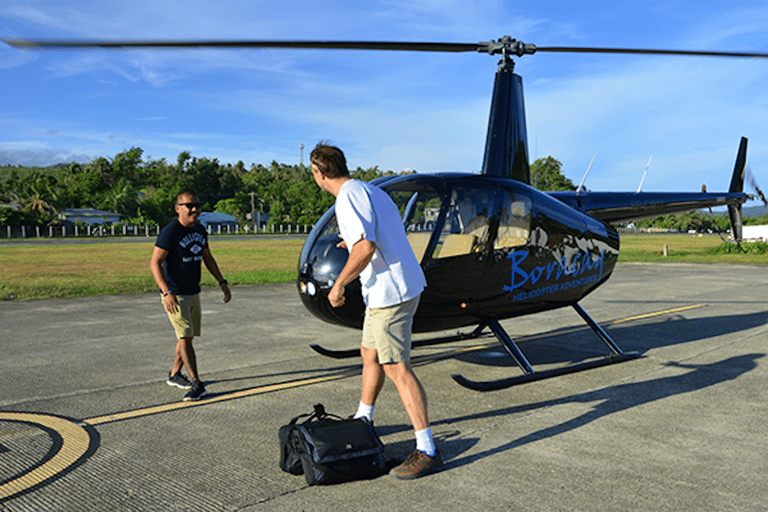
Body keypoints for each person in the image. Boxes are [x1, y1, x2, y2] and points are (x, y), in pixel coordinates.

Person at [309, 142, 441, 479]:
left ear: (318, 174)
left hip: (389, 294)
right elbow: (371, 236)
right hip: (396, 287)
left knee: (396, 367)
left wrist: (339, 285)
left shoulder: (347, 198)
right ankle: (363, 418)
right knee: (369, 352)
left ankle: (427, 448)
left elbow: (366, 248)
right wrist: (350, 240)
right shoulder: (369, 190)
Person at [149, 191, 231, 401]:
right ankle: (196, 383)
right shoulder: (170, 232)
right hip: (175, 294)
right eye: (189, 206)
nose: (195, 209)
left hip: (193, 292)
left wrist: (222, 282)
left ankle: (175, 375)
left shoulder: (201, 230)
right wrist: (166, 292)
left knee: (187, 336)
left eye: (197, 205)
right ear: (178, 208)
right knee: (185, 337)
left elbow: (207, 257)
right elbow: (154, 263)